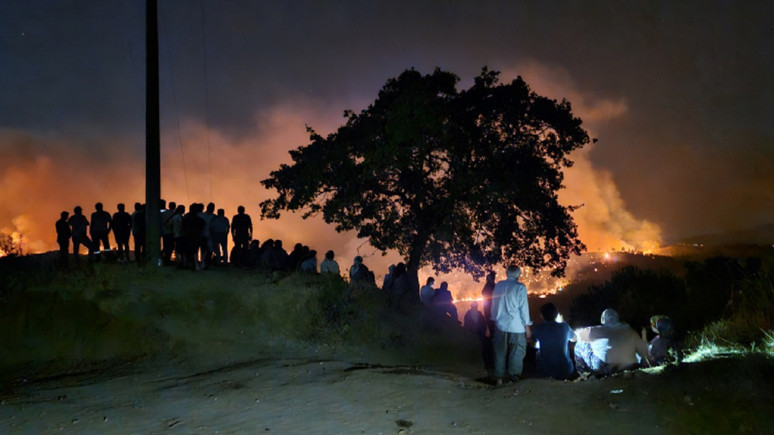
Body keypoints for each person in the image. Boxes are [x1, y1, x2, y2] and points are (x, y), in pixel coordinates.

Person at [574, 308, 651, 375]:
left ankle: (584, 374)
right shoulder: (631, 331)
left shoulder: (596, 330)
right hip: (629, 365)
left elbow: (577, 336)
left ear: (603, 320)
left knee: (580, 344)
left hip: (606, 367)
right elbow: (644, 352)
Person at [490, 264, 532, 385]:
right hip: (517, 326)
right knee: (517, 351)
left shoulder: (498, 286)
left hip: (500, 325)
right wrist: (527, 326)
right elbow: (524, 309)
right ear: (518, 275)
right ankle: (514, 378)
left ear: (507, 274)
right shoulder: (520, 287)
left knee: (500, 351)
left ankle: (499, 378)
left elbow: (493, 304)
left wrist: (494, 319)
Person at [531, 302, 576, 380]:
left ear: (542, 315)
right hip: (565, 371)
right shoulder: (564, 327)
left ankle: (542, 374)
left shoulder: (538, 328)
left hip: (546, 372)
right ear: (556, 314)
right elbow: (574, 338)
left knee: (538, 353)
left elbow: (533, 344)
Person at [481, 270, 496, 337]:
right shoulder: (493, 286)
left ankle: (492, 335)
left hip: (489, 307)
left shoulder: (488, 285)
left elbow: (483, 293)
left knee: (490, 321)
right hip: (491, 307)